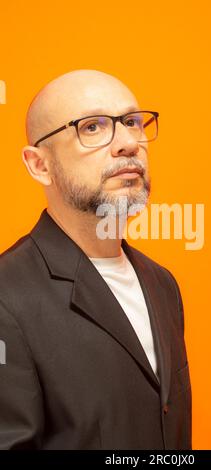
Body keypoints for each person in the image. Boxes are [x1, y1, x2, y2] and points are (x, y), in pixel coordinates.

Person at [0, 70, 192, 450]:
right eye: (92, 127)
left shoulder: (162, 283)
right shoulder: (7, 296)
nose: (128, 143)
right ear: (39, 164)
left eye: (133, 122)